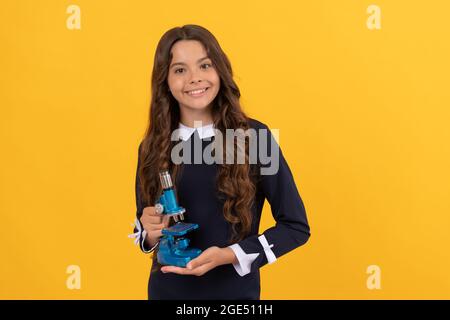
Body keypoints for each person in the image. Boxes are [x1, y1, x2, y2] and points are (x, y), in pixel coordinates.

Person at [129, 24, 311, 300]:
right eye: (180, 70)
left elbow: (295, 227)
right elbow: (147, 228)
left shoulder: (255, 138)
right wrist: (150, 232)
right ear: (164, 80)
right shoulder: (152, 146)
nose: (194, 78)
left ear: (220, 71)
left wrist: (231, 255)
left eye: (204, 65)